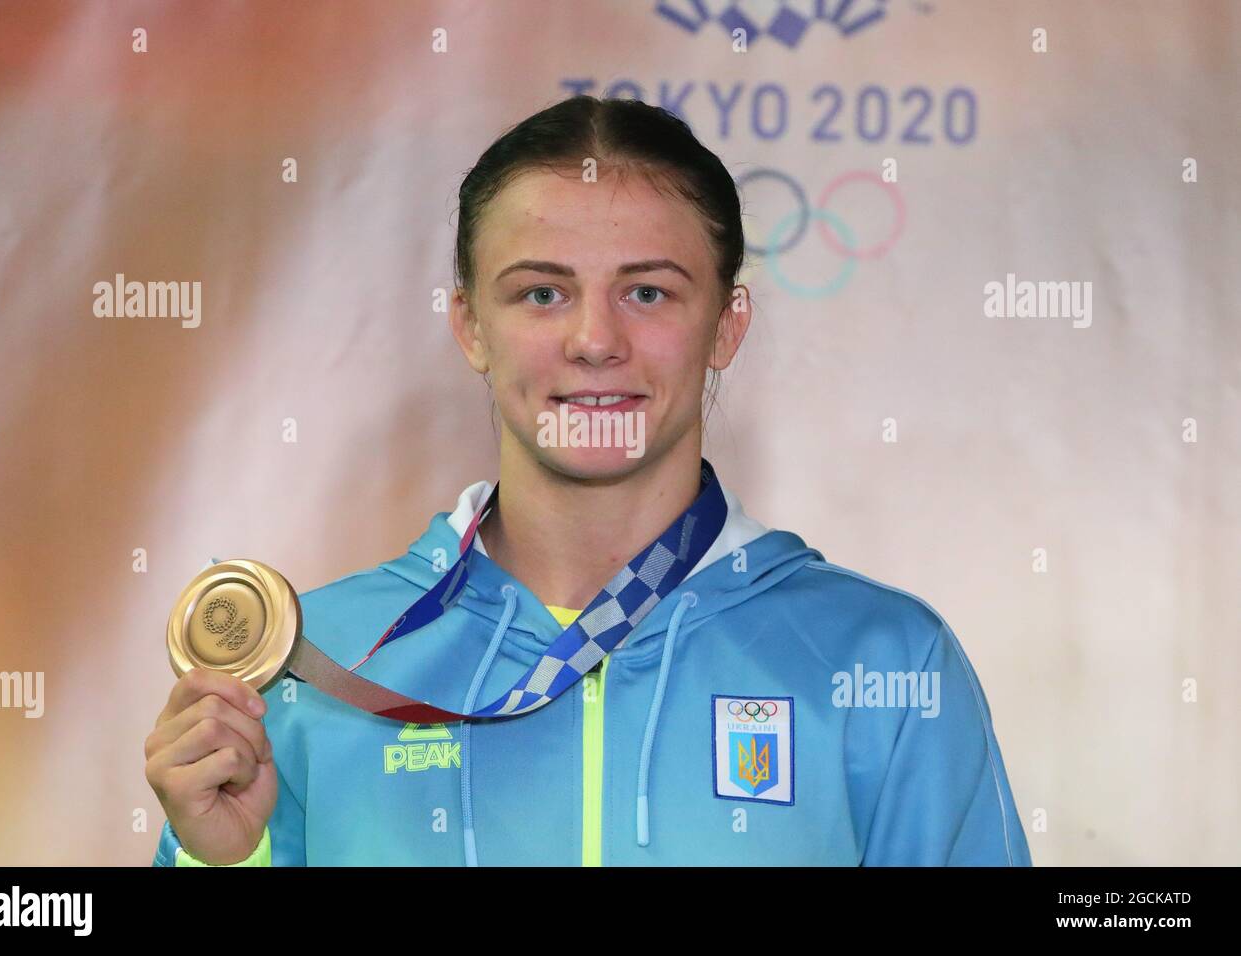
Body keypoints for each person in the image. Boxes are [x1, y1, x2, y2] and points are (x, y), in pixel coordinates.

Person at [146, 95, 1032, 866]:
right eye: (541, 293)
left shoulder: (880, 661)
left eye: (647, 293)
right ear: (470, 326)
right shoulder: (322, 665)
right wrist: (225, 862)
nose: (594, 340)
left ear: (726, 326)